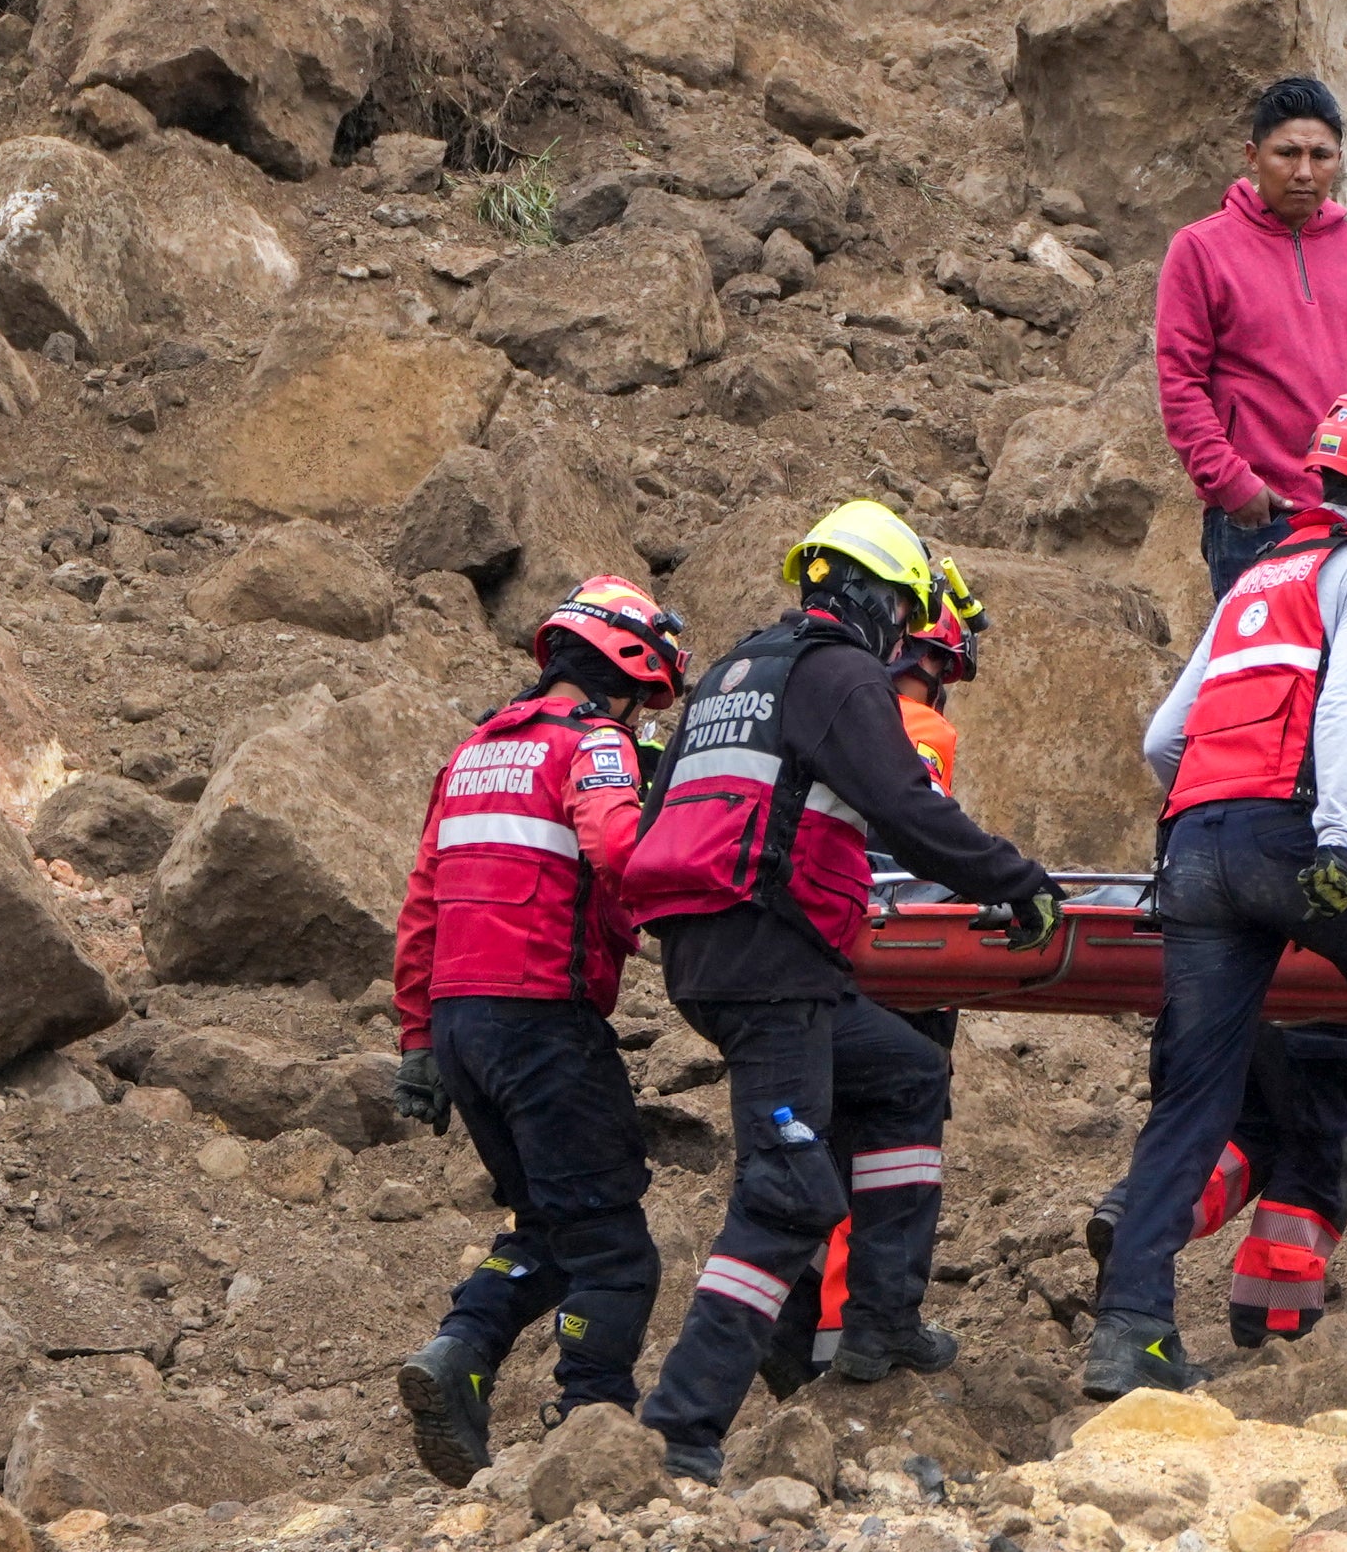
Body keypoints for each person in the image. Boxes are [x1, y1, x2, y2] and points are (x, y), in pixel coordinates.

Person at [1080, 391, 1347, 1399]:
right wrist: (1331, 834)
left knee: (1196, 1092)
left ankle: (1132, 1330)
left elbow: (1161, 739)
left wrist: (1208, 820)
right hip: (1293, 835)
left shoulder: (1253, 581)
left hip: (1195, 842)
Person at [627, 504, 1064, 1482]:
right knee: (788, 1190)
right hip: (771, 965)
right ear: (871, 596)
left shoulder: (734, 673)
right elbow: (904, 807)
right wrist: (1015, 880)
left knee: (906, 1073)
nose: (906, 636)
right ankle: (683, 1424)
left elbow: (659, 814)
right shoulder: (838, 673)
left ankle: (879, 1316)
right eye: (904, 613)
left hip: (724, 954)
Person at [389, 575, 692, 1484]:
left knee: (550, 1227)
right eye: (645, 701)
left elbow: (421, 904)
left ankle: (460, 1349)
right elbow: (619, 848)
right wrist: (691, 896)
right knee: (614, 1246)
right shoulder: (595, 744)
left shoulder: (472, 752)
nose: (641, 720)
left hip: (457, 1029)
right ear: (627, 672)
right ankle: (590, 1424)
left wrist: (414, 1043)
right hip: (541, 1025)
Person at [1086, 599, 1347, 1351]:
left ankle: (1144, 1219)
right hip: (1313, 954)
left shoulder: (1257, 696)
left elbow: (1167, 747)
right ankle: (1275, 1329)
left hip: (1217, 933)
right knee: (1318, 1152)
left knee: (1232, 1123)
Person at [786, 561, 987, 1389]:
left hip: (799, 954)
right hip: (887, 956)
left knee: (818, 1141)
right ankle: (863, 1325)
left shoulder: (807, 702)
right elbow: (913, 844)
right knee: (898, 1129)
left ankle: (803, 1329)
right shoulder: (919, 725)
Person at [1158, 78, 1347, 597]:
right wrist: (1233, 486)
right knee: (1268, 676)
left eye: (1320, 155)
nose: (1304, 172)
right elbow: (1180, 383)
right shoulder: (1201, 249)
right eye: (1287, 153)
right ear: (1253, 156)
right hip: (1259, 518)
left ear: (1340, 159)